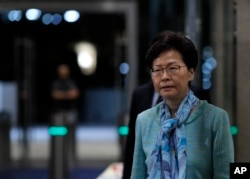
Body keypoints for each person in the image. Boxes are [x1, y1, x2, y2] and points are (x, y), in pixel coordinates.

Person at [130, 31, 234, 178]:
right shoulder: (144, 120)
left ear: (191, 72)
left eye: (173, 68)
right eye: (158, 70)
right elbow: (137, 175)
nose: (165, 77)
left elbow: (225, 175)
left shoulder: (215, 119)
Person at [51, 63, 80, 168]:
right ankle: (58, 162)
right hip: (58, 114)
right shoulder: (56, 83)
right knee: (58, 139)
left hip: (70, 113)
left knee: (71, 137)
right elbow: (55, 95)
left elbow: (75, 94)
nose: (63, 73)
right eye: (61, 71)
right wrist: (68, 94)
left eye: (65, 71)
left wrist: (61, 95)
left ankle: (71, 162)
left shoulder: (71, 82)